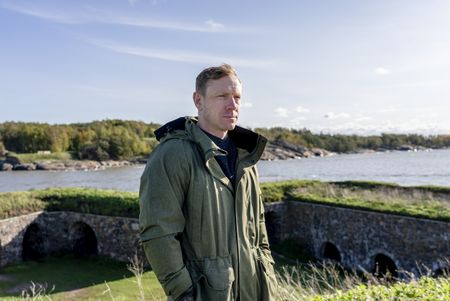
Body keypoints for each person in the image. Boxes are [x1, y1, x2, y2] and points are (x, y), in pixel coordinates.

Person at [139, 64, 277, 301]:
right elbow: (158, 231)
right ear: (198, 100)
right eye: (222, 96)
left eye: (237, 97)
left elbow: (259, 226)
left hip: (256, 290)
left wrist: (268, 274)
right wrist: (182, 291)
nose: (232, 105)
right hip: (207, 293)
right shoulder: (172, 154)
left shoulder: (246, 157)